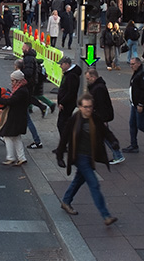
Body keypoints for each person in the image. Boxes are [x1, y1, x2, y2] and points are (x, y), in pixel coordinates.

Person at [55, 93, 118, 226]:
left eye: (90, 107)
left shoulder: (95, 118)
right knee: (94, 184)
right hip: (79, 157)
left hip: (91, 156)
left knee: (79, 179)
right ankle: (106, 215)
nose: (88, 109)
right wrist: (59, 155)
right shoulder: (74, 120)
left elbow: (105, 131)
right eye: (86, 107)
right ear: (80, 107)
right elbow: (65, 137)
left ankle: (66, 201)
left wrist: (113, 141)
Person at [85, 68, 125, 165]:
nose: (87, 80)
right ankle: (116, 155)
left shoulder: (98, 89)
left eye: (88, 78)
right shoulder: (97, 86)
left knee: (104, 137)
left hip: (99, 117)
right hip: (98, 117)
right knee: (101, 136)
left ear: (93, 77)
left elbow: (101, 105)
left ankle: (118, 155)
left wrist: (103, 120)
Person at [0, 70, 30, 166]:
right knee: (16, 137)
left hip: (16, 117)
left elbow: (12, 101)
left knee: (7, 136)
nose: (12, 82)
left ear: (18, 80)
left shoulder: (21, 91)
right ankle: (21, 157)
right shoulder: (22, 89)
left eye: (13, 80)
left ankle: (11, 157)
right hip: (18, 116)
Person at [54, 57, 81, 166]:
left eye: (61, 64)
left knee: (62, 124)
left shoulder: (71, 76)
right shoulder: (69, 74)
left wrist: (63, 102)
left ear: (67, 64)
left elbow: (71, 92)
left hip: (67, 104)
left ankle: (66, 145)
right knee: (62, 124)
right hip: (66, 103)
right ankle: (65, 144)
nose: (60, 66)